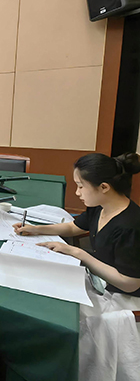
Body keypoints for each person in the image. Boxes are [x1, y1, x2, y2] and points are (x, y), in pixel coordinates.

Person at [14, 153, 140, 381]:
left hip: (122, 297)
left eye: (81, 186)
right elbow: (74, 227)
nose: (77, 193)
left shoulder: (130, 226)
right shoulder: (100, 206)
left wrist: (79, 253)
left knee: (63, 322)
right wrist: (35, 229)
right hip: (99, 282)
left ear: (104, 187)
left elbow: (129, 283)